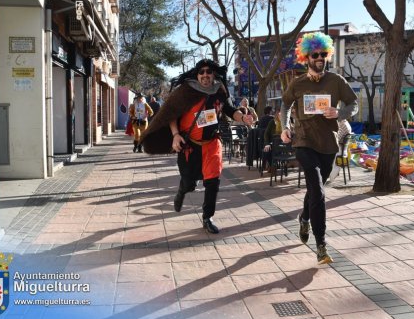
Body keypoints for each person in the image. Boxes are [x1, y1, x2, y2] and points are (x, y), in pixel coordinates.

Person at [140, 59, 253, 234]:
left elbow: (229, 110)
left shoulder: (220, 89)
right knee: (189, 183)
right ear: (197, 74)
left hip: (212, 143)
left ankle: (207, 217)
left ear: (213, 73)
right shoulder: (186, 90)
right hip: (189, 145)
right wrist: (176, 135)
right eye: (202, 72)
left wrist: (243, 118)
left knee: (213, 182)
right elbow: (170, 113)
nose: (205, 75)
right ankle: (181, 191)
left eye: (209, 71)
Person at [280, 32, 358, 264]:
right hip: (304, 141)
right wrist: (284, 127)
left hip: (328, 143)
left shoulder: (336, 81)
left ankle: (304, 218)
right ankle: (321, 244)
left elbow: (353, 104)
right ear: (307, 57)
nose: (320, 58)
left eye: (323, 54)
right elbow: (285, 106)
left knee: (316, 190)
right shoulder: (297, 83)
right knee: (317, 190)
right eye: (315, 54)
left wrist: (340, 113)